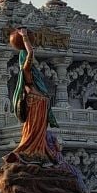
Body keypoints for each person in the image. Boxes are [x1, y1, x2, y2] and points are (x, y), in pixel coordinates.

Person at [6, 28, 58, 165]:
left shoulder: (33, 71)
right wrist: (24, 37)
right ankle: (28, 153)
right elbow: (31, 52)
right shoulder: (26, 69)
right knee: (32, 131)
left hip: (40, 102)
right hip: (34, 102)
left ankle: (39, 154)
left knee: (39, 134)